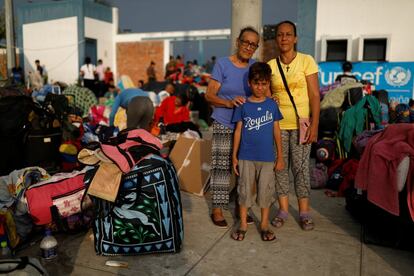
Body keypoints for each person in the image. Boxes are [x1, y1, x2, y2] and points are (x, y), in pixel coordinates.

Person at [267, 20, 320, 231]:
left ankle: (305, 212)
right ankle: (283, 210)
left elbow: (315, 95)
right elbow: (265, 93)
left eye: (288, 34)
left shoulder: (307, 61)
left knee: (300, 169)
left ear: (295, 38)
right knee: (280, 168)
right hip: (277, 126)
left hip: (301, 125)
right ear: (276, 38)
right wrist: (271, 98)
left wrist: (315, 125)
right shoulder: (270, 66)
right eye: (280, 35)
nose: (284, 38)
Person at [205, 26, 260, 228]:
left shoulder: (255, 67)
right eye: (246, 42)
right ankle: (217, 208)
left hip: (247, 125)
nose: (248, 47)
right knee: (221, 166)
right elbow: (209, 95)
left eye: (253, 44)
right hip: (223, 120)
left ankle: (241, 206)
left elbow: (263, 92)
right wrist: (228, 103)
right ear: (238, 42)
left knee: (246, 169)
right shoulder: (222, 64)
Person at [231, 62, 284, 241]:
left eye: (264, 84)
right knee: (245, 190)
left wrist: (280, 156)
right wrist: (234, 156)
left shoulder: (272, 105)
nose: (260, 87)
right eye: (256, 83)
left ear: (268, 84)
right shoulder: (243, 105)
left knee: (265, 191)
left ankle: (264, 224)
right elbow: (238, 131)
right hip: (246, 156)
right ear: (249, 83)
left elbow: (277, 130)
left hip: (267, 158)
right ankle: (244, 224)